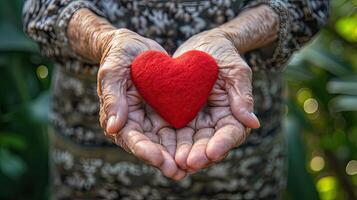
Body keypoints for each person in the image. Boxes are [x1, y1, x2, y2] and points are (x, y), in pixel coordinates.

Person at [23, 0, 329, 199]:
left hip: (240, 167)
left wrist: (233, 37)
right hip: (93, 172)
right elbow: (41, 9)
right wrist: (106, 40)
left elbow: (308, 6)